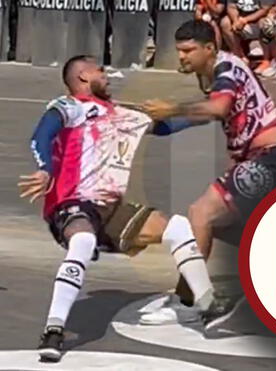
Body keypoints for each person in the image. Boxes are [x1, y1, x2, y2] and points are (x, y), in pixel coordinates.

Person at [19, 55, 229, 362]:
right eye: (100, 71)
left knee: (178, 227)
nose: (107, 76)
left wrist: (212, 110)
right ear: (82, 78)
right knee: (83, 240)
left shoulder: (120, 113)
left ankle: (208, 306)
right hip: (72, 201)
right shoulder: (70, 107)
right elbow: (42, 134)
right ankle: (53, 330)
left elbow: (167, 127)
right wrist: (45, 170)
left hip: (112, 209)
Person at [141, 20, 276, 330]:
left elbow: (219, 109)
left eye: (188, 50)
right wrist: (161, 127)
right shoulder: (211, 74)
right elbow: (209, 113)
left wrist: (172, 109)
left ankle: (188, 302)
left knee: (201, 214)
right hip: (268, 162)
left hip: (268, 160)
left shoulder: (226, 70)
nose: (182, 57)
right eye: (179, 51)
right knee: (225, 230)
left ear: (209, 49)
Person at [220, 0, 276, 76]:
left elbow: (264, 9)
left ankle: (271, 61)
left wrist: (245, 20)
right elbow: (231, 7)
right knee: (225, 22)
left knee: (268, 23)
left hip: (259, 20)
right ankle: (240, 58)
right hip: (241, 21)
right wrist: (235, 20)